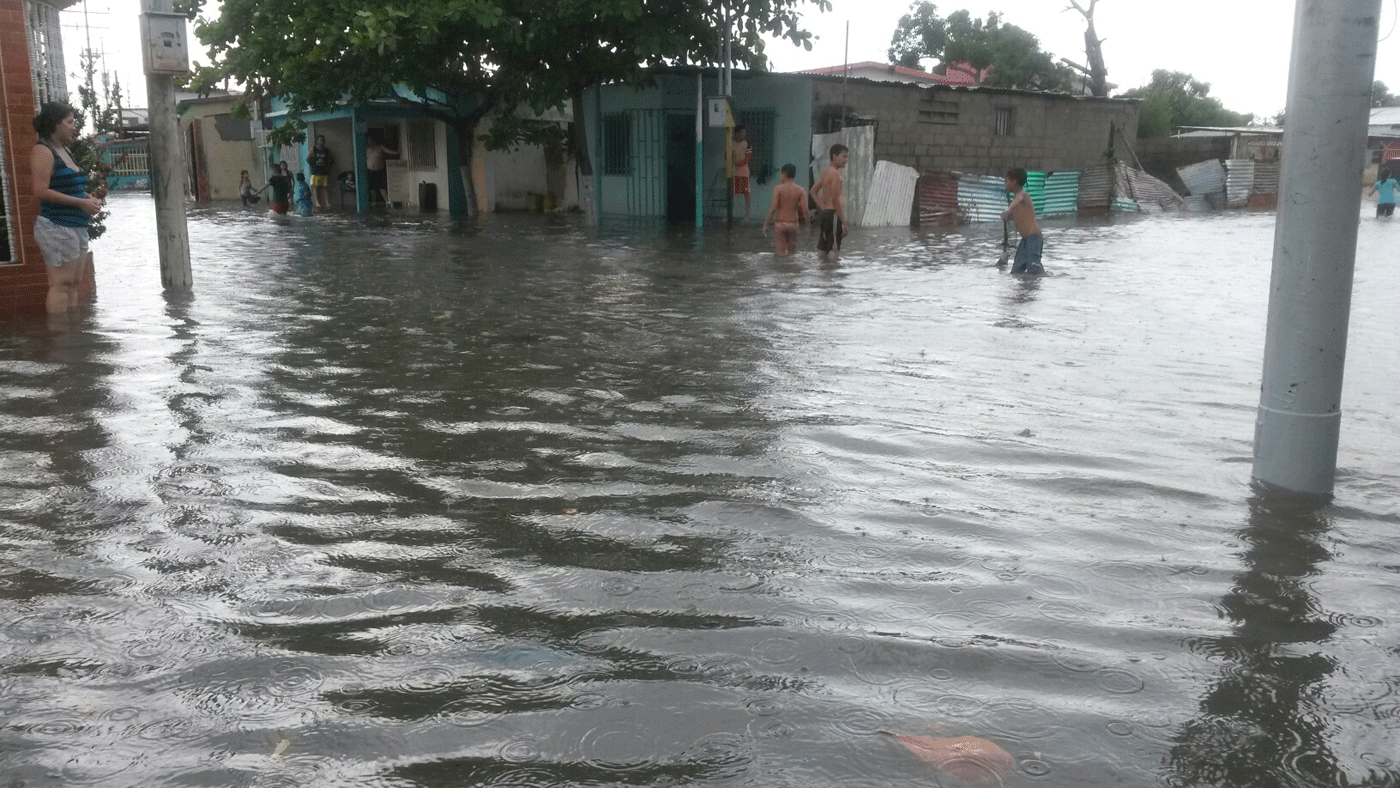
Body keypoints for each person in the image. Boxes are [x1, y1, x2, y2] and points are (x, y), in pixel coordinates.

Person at [29, 102, 103, 314]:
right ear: (55, 123)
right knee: (60, 284)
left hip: (77, 225)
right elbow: (40, 190)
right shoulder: (43, 151)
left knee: (73, 283)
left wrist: (88, 198)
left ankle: (72, 335)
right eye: (69, 122)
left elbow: (71, 186)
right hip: (56, 226)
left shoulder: (65, 150)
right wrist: (81, 203)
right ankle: (60, 338)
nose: (73, 127)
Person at [809, 143, 848, 262]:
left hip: (826, 214)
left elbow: (813, 191)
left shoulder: (826, 172)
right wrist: (844, 221)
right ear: (834, 156)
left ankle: (822, 276)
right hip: (834, 215)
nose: (846, 160)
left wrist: (823, 208)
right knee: (834, 252)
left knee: (822, 248)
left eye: (847, 157)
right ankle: (832, 278)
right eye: (844, 156)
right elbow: (835, 199)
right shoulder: (836, 174)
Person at [1002, 168, 1044, 275]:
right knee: (1016, 272)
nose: (1005, 184)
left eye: (1007, 181)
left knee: (1034, 271)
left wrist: (1008, 210)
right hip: (1025, 240)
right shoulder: (1016, 200)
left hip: (1033, 237)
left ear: (1014, 182)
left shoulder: (1022, 195)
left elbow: (1018, 200)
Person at [762, 163, 809, 257]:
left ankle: (780, 270)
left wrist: (766, 224)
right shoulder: (800, 190)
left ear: (783, 174)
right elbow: (805, 210)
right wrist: (808, 226)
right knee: (792, 255)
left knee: (780, 255)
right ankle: (791, 271)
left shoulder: (778, 189)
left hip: (780, 224)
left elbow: (773, 208)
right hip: (793, 224)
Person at [366, 133, 398, 205]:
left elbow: (388, 151)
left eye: (370, 140)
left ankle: (387, 201)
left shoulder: (380, 147)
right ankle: (374, 202)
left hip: (379, 170)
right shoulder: (367, 149)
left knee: (382, 187)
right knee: (372, 187)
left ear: (374, 140)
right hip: (370, 169)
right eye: (368, 140)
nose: (369, 141)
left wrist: (396, 152)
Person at [729, 125, 753, 218]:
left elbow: (747, 160)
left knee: (746, 193)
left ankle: (747, 215)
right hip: (733, 173)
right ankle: (730, 214)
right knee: (731, 192)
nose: (744, 134)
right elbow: (727, 156)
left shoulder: (747, 144)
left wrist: (736, 163)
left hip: (744, 173)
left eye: (745, 132)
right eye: (742, 132)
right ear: (737, 133)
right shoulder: (730, 143)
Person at [306, 134, 334, 208]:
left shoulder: (326, 150)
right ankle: (317, 202)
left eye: (323, 140)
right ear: (317, 141)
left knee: (325, 187)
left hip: (324, 171)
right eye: (320, 140)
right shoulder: (313, 149)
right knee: (315, 187)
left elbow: (331, 159)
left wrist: (328, 166)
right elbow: (308, 159)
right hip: (315, 171)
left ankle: (327, 202)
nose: (321, 141)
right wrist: (313, 165)